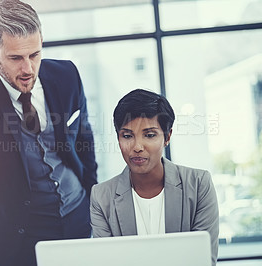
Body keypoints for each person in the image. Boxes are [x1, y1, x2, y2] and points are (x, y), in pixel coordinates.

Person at [0, 1, 97, 265]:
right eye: (15, 58)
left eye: (34, 54)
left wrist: (92, 198)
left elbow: (84, 138)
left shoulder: (68, 75)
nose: (28, 69)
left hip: (78, 221)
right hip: (16, 238)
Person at [90, 89, 219, 266]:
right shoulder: (101, 196)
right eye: (127, 136)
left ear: (167, 137)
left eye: (149, 135)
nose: (137, 147)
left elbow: (203, 260)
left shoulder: (198, 184)